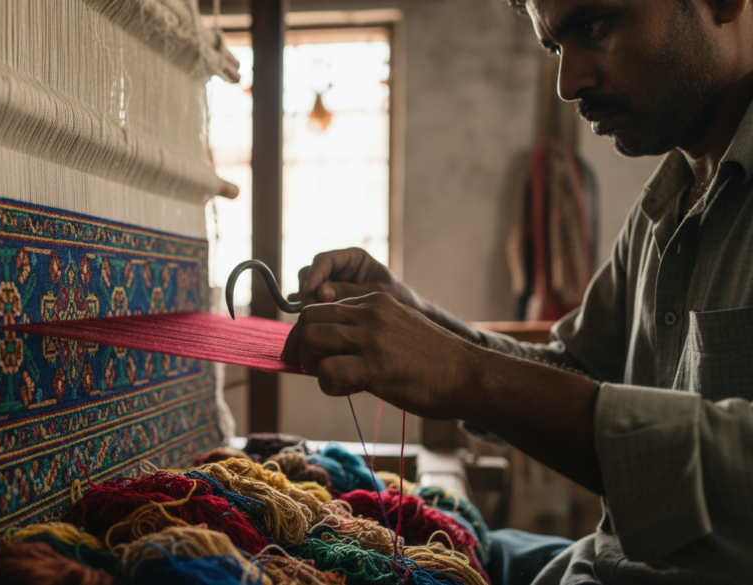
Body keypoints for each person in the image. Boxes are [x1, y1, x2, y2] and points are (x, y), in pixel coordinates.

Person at [280, 0, 753, 583]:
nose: (567, 82)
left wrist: (466, 375)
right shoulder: (663, 208)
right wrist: (423, 322)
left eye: (593, 26)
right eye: (555, 47)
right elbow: (576, 371)